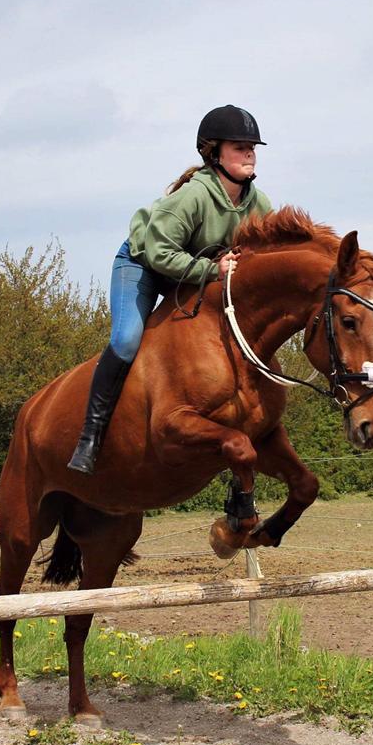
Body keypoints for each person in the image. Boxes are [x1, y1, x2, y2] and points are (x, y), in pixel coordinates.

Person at [68, 105, 274, 473]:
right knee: (128, 339)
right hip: (143, 264)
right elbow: (160, 253)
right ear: (214, 153)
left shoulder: (259, 205)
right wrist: (212, 269)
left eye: (252, 147)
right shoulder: (193, 196)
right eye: (239, 146)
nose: (249, 153)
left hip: (194, 273)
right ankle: (91, 435)